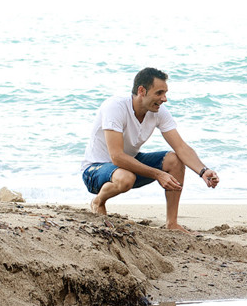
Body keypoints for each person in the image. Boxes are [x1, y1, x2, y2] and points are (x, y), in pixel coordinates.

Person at [81, 67, 219, 230]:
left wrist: (203, 171)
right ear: (142, 91)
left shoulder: (158, 112)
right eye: (159, 93)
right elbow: (116, 156)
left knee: (174, 160)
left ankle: (172, 223)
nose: (164, 99)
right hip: (95, 170)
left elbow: (181, 147)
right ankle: (98, 201)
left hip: (128, 167)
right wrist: (158, 174)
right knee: (126, 178)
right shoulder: (115, 107)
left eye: (165, 93)